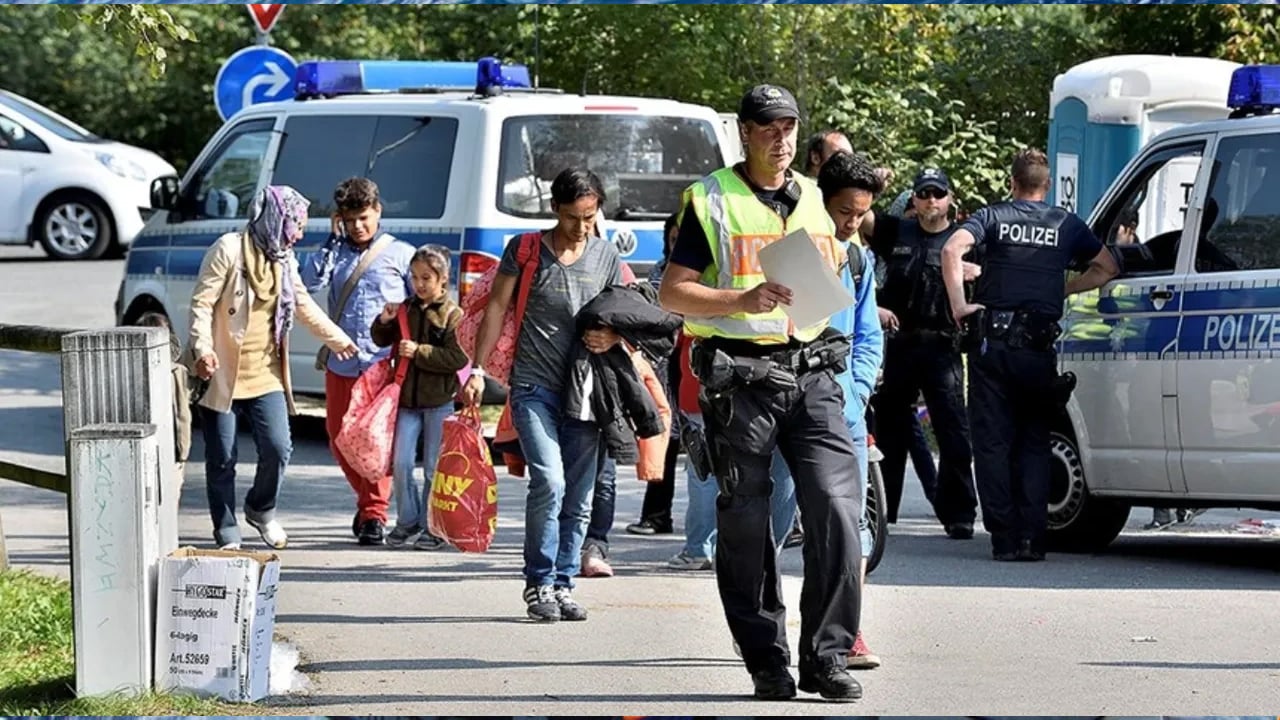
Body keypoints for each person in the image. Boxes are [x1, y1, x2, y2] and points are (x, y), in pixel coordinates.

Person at [659, 83, 865, 702]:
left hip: (813, 374)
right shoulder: (710, 199)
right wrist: (738, 300)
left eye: (790, 127)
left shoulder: (813, 200)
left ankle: (826, 657)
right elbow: (672, 293)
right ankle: (766, 658)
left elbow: (835, 275)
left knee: (836, 509)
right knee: (747, 523)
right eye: (769, 127)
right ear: (745, 131)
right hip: (741, 380)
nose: (782, 138)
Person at [462, 167, 623, 623]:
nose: (581, 227)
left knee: (580, 495)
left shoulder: (606, 256)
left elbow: (624, 313)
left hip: (586, 392)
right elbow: (496, 306)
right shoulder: (526, 249)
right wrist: (476, 369)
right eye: (573, 217)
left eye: (590, 216)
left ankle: (564, 583)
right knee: (549, 481)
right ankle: (538, 583)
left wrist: (612, 337)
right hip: (533, 385)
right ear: (555, 209)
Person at [942, 148, 1119, 562]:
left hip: (994, 347)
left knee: (992, 444)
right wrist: (1063, 289)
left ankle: (1004, 539)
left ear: (1012, 183)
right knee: (1034, 444)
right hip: (1039, 350)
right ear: (1047, 185)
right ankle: (1032, 540)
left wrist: (958, 305)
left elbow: (952, 250)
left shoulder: (993, 217)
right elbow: (1107, 267)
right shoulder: (1065, 223)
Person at [188, 185, 357, 550]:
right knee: (222, 457)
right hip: (223, 371)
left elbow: (303, 304)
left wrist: (337, 338)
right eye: (296, 224)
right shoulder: (228, 249)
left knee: (279, 447)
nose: (299, 233)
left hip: (266, 372)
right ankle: (226, 529)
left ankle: (260, 509)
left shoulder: (283, 258)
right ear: (276, 219)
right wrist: (202, 349)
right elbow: (201, 305)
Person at [769, 150, 885, 670]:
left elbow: (868, 338)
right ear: (820, 200)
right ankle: (763, 625)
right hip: (780, 407)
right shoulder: (791, 251)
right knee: (770, 524)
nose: (851, 224)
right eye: (844, 212)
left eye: (861, 214)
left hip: (844, 413)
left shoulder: (858, 259)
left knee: (844, 524)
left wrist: (856, 392)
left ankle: (846, 631)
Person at [860, 167, 979, 538]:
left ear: (949, 199)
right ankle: (883, 513)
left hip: (942, 347)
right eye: (924, 193)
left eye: (938, 194)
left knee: (954, 434)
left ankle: (958, 513)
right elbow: (859, 215)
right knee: (890, 434)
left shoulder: (962, 241)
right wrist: (874, 183)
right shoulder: (897, 231)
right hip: (900, 344)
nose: (931, 200)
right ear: (913, 198)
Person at [302, 177, 416, 546]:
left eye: (364, 217)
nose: (358, 226)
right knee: (338, 438)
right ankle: (368, 501)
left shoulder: (401, 254)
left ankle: (373, 513)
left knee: (373, 440)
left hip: (381, 364)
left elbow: (423, 304)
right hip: (342, 360)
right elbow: (308, 283)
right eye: (350, 220)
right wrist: (331, 241)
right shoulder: (336, 250)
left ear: (378, 211)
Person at [370, 245, 469, 550]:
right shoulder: (405, 309)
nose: (420, 284)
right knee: (400, 463)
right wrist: (384, 321)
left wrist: (420, 352)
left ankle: (433, 527)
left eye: (426, 277)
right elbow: (380, 339)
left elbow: (457, 357)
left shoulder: (453, 315)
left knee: (432, 469)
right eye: (414, 277)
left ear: (443, 279)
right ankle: (407, 521)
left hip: (439, 402)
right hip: (406, 402)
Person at [627, 212, 684, 537]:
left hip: (692, 363)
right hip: (663, 364)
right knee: (665, 435)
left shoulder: (702, 272)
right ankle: (656, 515)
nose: (677, 246)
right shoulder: (662, 271)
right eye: (673, 239)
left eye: (682, 240)